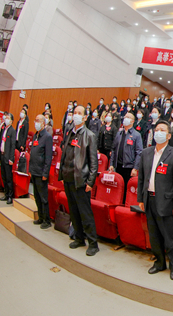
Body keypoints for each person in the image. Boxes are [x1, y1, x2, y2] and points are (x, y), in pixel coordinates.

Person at [137, 121, 173, 280]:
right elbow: (141, 178)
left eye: (162, 130)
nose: (158, 132)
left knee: (169, 237)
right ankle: (159, 263)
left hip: (166, 203)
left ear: (169, 135)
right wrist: (140, 198)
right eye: (156, 129)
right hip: (149, 200)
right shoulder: (146, 153)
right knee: (154, 236)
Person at [58, 106, 99, 256]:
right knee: (73, 211)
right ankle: (79, 238)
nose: (75, 115)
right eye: (74, 112)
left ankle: (93, 243)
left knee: (85, 213)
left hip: (81, 180)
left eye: (79, 113)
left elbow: (93, 162)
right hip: (69, 177)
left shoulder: (89, 135)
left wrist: (90, 182)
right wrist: (62, 175)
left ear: (85, 117)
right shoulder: (70, 132)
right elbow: (65, 154)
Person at [30, 115, 53, 229]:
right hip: (34, 170)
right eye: (35, 120)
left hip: (41, 172)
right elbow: (33, 153)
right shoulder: (36, 135)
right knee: (37, 196)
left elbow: (48, 157)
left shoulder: (47, 137)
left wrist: (45, 173)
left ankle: (46, 220)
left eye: (38, 121)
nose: (36, 122)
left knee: (43, 197)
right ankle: (40, 217)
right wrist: (30, 169)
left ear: (43, 123)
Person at [109, 113, 143, 191]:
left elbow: (139, 153)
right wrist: (111, 164)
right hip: (118, 165)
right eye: (125, 117)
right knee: (117, 189)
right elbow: (113, 149)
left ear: (132, 121)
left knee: (125, 190)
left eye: (128, 117)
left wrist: (135, 168)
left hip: (129, 167)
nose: (125, 118)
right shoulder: (119, 133)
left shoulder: (136, 135)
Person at [0, 113, 17, 204]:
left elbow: (13, 145)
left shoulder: (12, 131)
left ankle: (10, 196)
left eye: (8, 118)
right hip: (2, 155)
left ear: (11, 121)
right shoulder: (4, 129)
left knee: (8, 177)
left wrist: (11, 158)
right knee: (4, 177)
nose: (6, 119)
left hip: (8, 157)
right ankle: (6, 194)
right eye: (5, 118)